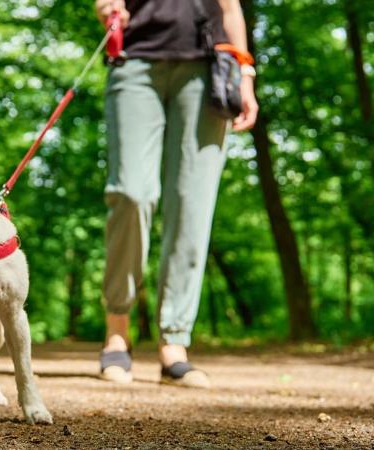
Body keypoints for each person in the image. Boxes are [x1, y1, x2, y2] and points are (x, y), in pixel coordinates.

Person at [95, 0, 258, 387]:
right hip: (135, 61)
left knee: (192, 203)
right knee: (130, 193)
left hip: (207, 65)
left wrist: (246, 75)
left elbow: (230, 7)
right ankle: (117, 330)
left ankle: (174, 343)